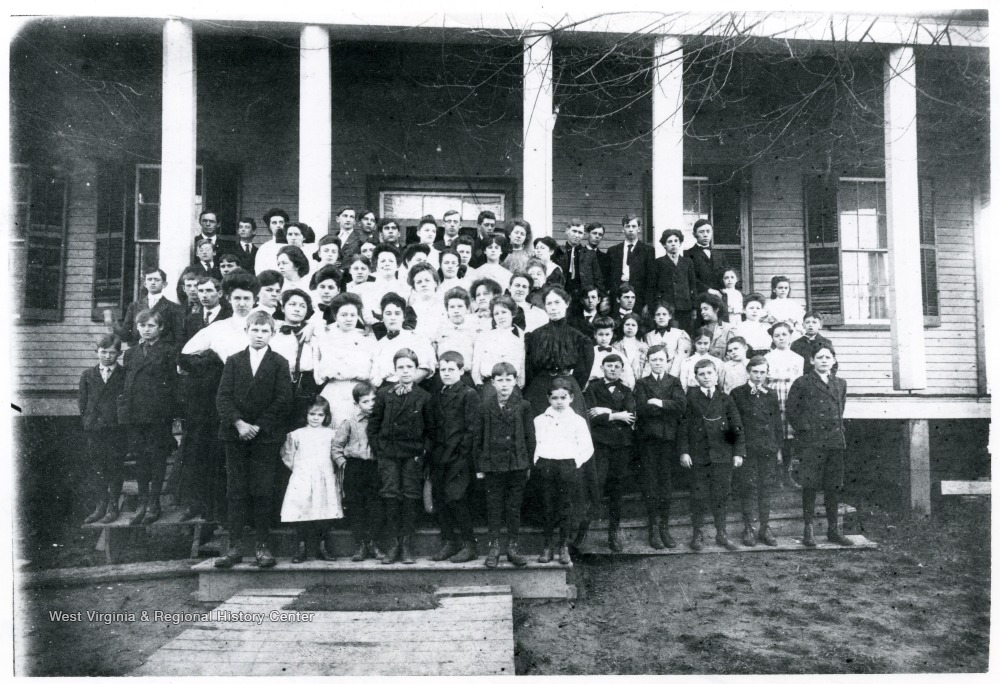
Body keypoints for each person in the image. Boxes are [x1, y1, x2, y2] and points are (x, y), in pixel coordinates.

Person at [213, 311, 293, 569]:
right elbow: (222, 397)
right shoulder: (233, 361)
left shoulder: (279, 362)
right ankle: (234, 546)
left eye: (264, 331)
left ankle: (262, 545)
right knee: (235, 490)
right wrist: (239, 423)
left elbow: (283, 399)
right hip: (235, 435)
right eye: (255, 330)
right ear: (246, 331)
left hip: (265, 436)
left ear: (272, 334)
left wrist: (257, 425)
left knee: (262, 490)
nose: (259, 335)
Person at [368, 349, 437, 564]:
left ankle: (406, 545)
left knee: (409, 495)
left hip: (413, 454)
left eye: (409, 367)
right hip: (388, 453)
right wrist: (379, 450)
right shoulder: (384, 394)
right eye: (401, 367)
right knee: (390, 494)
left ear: (416, 370)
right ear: (394, 369)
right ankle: (393, 545)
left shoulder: (424, 397)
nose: (405, 371)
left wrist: (422, 451)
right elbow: (373, 426)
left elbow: (431, 430)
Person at [175, 276, 231, 523]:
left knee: (216, 449)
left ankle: (215, 505)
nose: (205, 295)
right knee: (196, 447)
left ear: (220, 292)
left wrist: (208, 358)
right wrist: (205, 359)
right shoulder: (192, 320)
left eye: (210, 290)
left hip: (220, 388)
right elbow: (183, 355)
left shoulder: (228, 318)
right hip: (198, 391)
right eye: (201, 291)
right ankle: (196, 502)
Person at [786, 345, 853, 547]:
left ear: (833, 360)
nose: (824, 360)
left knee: (833, 485)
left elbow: (840, 410)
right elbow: (792, 411)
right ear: (812, 361)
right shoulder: (802, 383)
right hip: (812, 442)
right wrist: (806, 430)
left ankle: (834, 530)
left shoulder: (840, 383)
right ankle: (809, 530)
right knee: (810, 484)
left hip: (834, 441)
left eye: (827, 357)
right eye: (819, 357)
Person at [117, 310, 178, 525]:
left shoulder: (169, 351)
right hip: (135, 416)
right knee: (140, 458)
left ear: (160, 328)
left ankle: (154, 502)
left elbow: (174, 385)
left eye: (151, 325)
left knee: (157, 458)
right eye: (142, 325)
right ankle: (142, 502)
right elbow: (126, 385)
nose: (146, 329)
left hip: (158, 416)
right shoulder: (130, 353)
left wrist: (170, 413)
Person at [678, 358, 746, 551]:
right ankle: (697, 533)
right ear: (696, 378)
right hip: (698, 455)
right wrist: (684, 451)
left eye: (710, 373)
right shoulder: (690, 399)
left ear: (716, 376)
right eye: (702, 374)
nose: (706, 377)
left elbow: (736, 426)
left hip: (722, 455)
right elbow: (683, 427)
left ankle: (721, 533)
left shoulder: (725, 398)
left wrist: (738, 452)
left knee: (722, 494)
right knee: (698, 495)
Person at [476, 362, 535, 568]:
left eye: (508, 380)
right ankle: (494, 547)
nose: (504, 385)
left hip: (516, 464)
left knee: (513, 507)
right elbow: (478, 438)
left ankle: (512, 546)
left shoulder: (524, 406)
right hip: (493, 466)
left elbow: (530, 438)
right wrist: (480, 467)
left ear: (516, 382)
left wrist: (527, 464)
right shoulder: (484, 407)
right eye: (499, 380)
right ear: (492, 383)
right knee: (493, 507)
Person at [533, 378, 594, 564]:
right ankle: (547, 546)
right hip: (546, 466)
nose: (559, 402)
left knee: (565, 507)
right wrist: (538, 460)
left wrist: (575, 461)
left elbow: (587, 447)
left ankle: (563, 546)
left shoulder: (577, 420)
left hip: (568, 466)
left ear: (571, 397)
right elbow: (535, 442)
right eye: (554, 398)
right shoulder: (540, 420)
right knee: (548, 506)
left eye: (563, 397)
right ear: (548, 399)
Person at [429, 351, 482, 563]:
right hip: (440, 455)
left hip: (459, 456)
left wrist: (461, 452)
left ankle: (470, 545)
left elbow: (472, 429)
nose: (447, 373)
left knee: (456, 498)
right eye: (443, 370)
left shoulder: (469, 394)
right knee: (440, 499)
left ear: (461, 370)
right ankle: (450, 542)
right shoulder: (439, 393)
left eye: (452, 369)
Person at [633, 345, 687, 549]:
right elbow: (640, 408)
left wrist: (658, 402)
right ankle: (653, 528)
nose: (657, 363)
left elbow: (681, 406)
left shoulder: (674, 381)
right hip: (648, 439)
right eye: (653, 360)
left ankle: (664, 526)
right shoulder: (641, 382)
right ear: (648, 362)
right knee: (650, 482)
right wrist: (665, 407)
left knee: (666, 482)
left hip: (668, 439)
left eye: (661, 359)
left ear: (667, 361)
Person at [582, 353, 636, 553]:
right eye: (609, 365)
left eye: (617, 366)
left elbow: (630, 416)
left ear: (622, 370)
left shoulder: (627, 390)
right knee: (596, 485)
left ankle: (613, 533)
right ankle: (582, 531)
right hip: (600, 444)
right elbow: (589, 415)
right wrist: (615, 414)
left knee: (617, 488)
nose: (613, 369)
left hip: (621, 445)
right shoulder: (593, 388)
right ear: (602, 368)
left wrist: (604, 411)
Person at [281, 397, 343, 562]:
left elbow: (336, 454)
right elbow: (288, 457)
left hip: (324, 478)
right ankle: (301, 548)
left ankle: (322, 547)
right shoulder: (296, 435)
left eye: (320, 415)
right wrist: (302, 471)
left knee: (323, 512)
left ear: (326, 416)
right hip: (303, 478)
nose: (316, 418)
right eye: (312, 414)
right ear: (306, 414)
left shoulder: (331, 434)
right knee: (302, 511)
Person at [730, 356, 783, 547]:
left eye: (762, 372)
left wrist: (778, 448)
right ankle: (748, 528)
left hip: (767, 448)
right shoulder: (738, 393)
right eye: (755, 372)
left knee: (765, 487)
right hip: (748, 449)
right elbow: (735, 425)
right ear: (748, 372)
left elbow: (777, 422)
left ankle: (765, 527)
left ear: (767, 373)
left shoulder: (771, 394)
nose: (759, 376)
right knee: (749, 487)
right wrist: (738, 450)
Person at [332, 381, 384, 562]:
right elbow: (336, 446)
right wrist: (343, 464)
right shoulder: (349, 423)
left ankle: (374, 543)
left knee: (376, 505)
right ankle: (361, 544)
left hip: (375, 467)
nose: (371, 404)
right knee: (356, 505)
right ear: (357, 404)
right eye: (365, 401)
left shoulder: (382, 421)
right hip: (355, 467)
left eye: (373, 400)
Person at [524, 287, 595, 419]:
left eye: (557, 302)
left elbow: (583, 370)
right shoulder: (535, 335)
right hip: (539, 388)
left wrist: (570, 383)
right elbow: (530, 368)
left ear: (567, 304)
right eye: (549, 303)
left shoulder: (578, 336)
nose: (553, 307)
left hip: (568, 387)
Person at [80, 334, 127, 525]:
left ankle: (113, 505)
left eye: (112, 352)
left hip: (116, 429)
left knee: (115, 466)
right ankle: (100, 505)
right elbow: (82, 403)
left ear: (119, 353)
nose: (107, 356)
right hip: (95, 429)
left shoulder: (124, 374)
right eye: (103, 352)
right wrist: (89, 422)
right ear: (96, 352)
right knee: (97, 467)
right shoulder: (88, 375)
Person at [313, 293, 374, 426]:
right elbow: (317, 365)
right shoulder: (324, 337)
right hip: (333, 390)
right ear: (335, 316)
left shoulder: (366, 338)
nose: (348, 319)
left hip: (359, 391)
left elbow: (375, 366)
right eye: (343, 315)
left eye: (353, 315)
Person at [765, 322, 805, 490]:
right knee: (774, 434)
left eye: (784, 334)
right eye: (777, 335)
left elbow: (799, 381)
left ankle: (787, 475)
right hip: (773, 397)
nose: (781, 338)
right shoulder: (768, 357)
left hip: (791, 397)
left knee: (789, 438)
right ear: (773, 338)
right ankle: (775, 475)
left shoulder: (798, 358)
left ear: (790, 336)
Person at [369, 293, 436, 388]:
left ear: (404, 317)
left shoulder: (417, 339)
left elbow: (426, 368)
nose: (392, 317)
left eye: (397, 313)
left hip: (412, 389)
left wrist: (403, 388)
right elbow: (374, 377)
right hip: (386, 393)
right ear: (382, 317)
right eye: (388, 314)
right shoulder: (379, 345)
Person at [116, 265, 184, 347]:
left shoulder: (173, 307)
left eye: (157, 280)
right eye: (149, 279)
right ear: (145, 283)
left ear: (164, 284)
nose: (152, 282)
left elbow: (178, 337)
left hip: (162, 353)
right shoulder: (134, 306)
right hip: (139, 352)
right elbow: (126, 335)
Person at [471, 295, 525, 388]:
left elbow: (521, 368)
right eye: (496, 313)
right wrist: (479, 385)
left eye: (504, 312)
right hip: (489, 385)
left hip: (511, 386)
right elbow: (476, 366)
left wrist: (519, 386)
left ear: (512, 314)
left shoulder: (518, 340)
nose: (500, 317)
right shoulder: (484, 337)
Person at [606, 214, 656, 313]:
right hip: (617, 297)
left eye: (634, 226)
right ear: (622, 229)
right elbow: (608, 277)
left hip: (638, 298)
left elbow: (651, 279)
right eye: (627, 226)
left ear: (639, 229)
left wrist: (647, 303)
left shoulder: (648, 251)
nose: (631, 229)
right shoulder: (613, 251)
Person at [652, 228, 698, 334]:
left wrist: (694, 307)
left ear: (680, 243)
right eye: (669, 241)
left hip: (685, 307)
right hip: (667, 307)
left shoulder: (687, 262)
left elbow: (693, 286)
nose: (673, 244)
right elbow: (652, 286)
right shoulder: (658, 262)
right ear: (664, 245)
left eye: (676, 241)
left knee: (685, 334)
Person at [431, 288, 478, 389]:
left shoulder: (473, 330)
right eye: (452, 307)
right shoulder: (440, 329)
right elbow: (433, 352)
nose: (456, 310)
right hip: (443, 376)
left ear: (467, 309)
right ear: (447, 310)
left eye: (460, 306)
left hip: (464, 376)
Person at [644, 300, 691, 378]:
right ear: (654, 317)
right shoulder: (649, 336)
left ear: (670, 316)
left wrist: (671, 377)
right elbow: (648, 361)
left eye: (664, 314)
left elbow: (680, 358)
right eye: (658, 314)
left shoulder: (679, 334)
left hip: (674, 372)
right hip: (655, 373)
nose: (661, 317)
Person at [587, 316, 636, 389]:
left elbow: (629, 379)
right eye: (600, 334)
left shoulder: (619, 355)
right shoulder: (588, 353)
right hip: (592, 390)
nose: (604, 338)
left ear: (612, 335)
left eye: (607, 334)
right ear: (595, 335)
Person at [557, 219, 604, 294]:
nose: (577, 235)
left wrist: (602, 297)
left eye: (580, 232)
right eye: (574, 231)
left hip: (582, 297)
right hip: (562, 295)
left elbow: (598, 280)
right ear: (567, 231)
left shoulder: (589, 254)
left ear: (584, 234)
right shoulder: (558, 252)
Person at [685, 218, 729, 298]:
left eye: (708, 231)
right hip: (699, 297)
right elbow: (690, 278)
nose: (705, 235)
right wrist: (707, 290)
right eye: (701, 232)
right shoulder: (687, 254)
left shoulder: (720, 255)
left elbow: (727, 274)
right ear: (694, 234)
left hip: (719, 297)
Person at [406, 262, 444, 339]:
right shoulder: (410, 311)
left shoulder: (445, 307)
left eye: (427, 280)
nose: (423, 284)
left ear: (435, 283)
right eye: (419, 282)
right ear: (414, 288)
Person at [613, 312, 648, 386]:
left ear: (638, 328)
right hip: (621, 383)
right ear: (623, 326)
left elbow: (647, 367)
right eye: (627, 324)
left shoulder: (644, 346)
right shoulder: (615, 346)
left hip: (640, 384)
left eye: (633, 325)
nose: (630, 327)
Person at [697, 293, 736, 359]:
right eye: (701, 309)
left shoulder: (728, 328)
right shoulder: (702, 330)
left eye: (705, 309)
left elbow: (732, 353)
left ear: (716, 309)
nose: (702, 312)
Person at [254, 208, 289, 275]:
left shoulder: (293, 245)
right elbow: (259, 272)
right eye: (274, 223)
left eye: (281, 222)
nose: (278, 225)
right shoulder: (264, 248)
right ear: (269, 226)